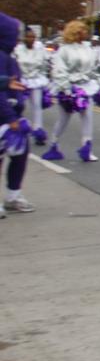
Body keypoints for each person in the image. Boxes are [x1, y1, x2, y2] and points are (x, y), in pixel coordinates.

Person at [41, 20, 100, 163]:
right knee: (64, 119)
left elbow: (93, 68)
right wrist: (68, 90)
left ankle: (86, 149)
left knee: (88, 117)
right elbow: (59, 71)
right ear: (75, 32)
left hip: (86, 87)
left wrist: (99, 82)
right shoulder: (64, 50)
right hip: (69, 89)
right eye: (83, 30)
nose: (86, 33)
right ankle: (53, 144)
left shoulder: (88, 49)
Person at [0, 14, 34, 215]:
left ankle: (13, 195)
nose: (18, 39)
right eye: (15, 35)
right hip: (4, 118)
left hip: (10, 116)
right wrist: (10, 118)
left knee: (19, 153)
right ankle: (12, 196)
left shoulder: (7, 57)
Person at [14, 27, 50, 146]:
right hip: (22, 81)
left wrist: (43, 77)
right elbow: (14, 64)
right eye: (28, 36)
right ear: (24, 38)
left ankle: (38, 132)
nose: (31, 39)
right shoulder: (18, 50)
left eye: (33, 37)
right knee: (19, 106)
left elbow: (44, 65)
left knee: (37, 107)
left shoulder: (39, 50)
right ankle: (17, 130)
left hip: (35, 81)